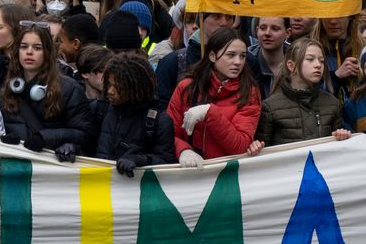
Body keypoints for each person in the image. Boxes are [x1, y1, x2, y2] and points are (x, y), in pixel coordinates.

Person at [0, 21, 92, 159]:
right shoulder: (5, 92)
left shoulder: (70, 89)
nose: (29, 52)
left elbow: (85, 134)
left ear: (47, 53)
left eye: (37, 48)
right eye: (24, 47)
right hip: (19, 168)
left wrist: (46, 138)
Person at [167, 28, 262, 164]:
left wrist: (210, 113)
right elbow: (169, 133)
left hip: (225, 178)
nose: (238, 62)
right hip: (189, 177)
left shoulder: (249, 92)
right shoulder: (187, 87)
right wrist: (183, 150)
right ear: (212, 56)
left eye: (243, 56)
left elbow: (240, 146)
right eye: (231, 55)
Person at [251, 38, 349, 153]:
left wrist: (342, 137)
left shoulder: (332, 104)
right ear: (291, 66)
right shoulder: (270, 107)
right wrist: (255, 148)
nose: (318, 65)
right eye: (310, 59)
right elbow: (262, 155)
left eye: (321, 61)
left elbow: (340, 154)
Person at [93, 50, 175, 176]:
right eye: (109, 84)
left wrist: (139, 160)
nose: (110, 91)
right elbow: (85, 143)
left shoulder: (158, 121)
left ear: (136, 87)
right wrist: (71, 147)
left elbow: (166, 162)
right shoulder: (100, 109)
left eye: (118, 86)